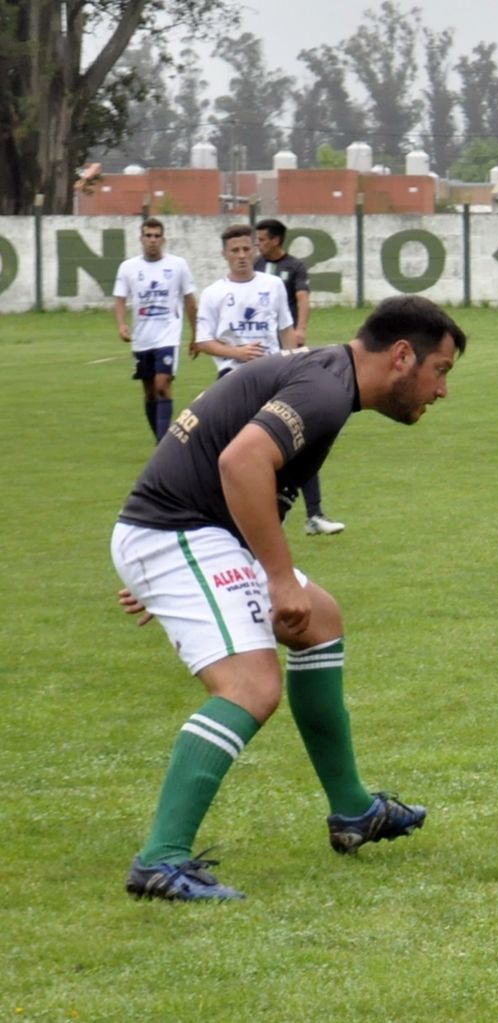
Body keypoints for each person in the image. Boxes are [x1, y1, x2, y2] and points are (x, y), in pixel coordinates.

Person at [111, 294, 467, 901]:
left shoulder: (327, 374)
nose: (441, 391)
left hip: (190, 531)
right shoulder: (325, 390)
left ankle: (354, 810)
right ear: (402, 356)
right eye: (441, 371)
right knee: (252, 686)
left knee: (320, 620)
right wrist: (273, 578)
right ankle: (161, 860)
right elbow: (242, 459)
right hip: (182, 531)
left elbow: (213, 453)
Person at [255, 217, 345, 536]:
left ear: (277, 240)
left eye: (263, 239)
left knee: (298, 435)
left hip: (284, 356)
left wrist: (300, 330)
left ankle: (313, 514)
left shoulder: (293, 267)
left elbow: (303, 299)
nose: (258, 245)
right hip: (253, 367)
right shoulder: (253, 267)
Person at [112, 218, 197, 442]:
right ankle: (159, 439)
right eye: (148, 236)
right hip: (142, 338)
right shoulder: (128, 267)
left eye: (156, 236)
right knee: (149, 391)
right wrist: (121, 324)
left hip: (168, 335)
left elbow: (190, 300)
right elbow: (119, 299)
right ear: (141, 239)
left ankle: (163, 445)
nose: (152, 240)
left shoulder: (177, 265)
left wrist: (196, 334)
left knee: (162, 384)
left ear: (163, 239)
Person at [191, 223, 296, 377]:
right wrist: (237, 352)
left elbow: (286, 330)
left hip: (271, 370)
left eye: (246, 249)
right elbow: (203, 341)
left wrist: (291, 366)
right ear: (224, 254)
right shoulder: (212, 293)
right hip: (232, 373)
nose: (241, 255)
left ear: (254, 250)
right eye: (235, 250)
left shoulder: (274, 284)